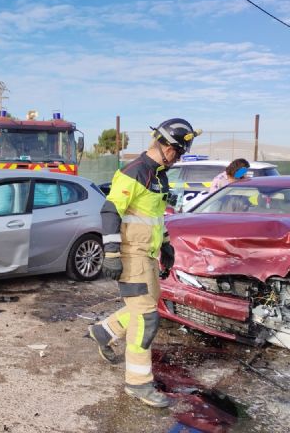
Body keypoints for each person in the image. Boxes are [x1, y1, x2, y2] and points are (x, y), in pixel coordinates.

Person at [88, 118, 201, 408]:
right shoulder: (134, 172)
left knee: (148, 304)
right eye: (178, 151)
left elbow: (154, 217)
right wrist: (111, 253)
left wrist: (166, 245)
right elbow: (110, 211)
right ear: (163, 145)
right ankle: (137, 383)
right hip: (130, 254)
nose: (179, 158)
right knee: (147, 318)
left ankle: (104, 331)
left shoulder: (159, 175)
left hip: (148, 254)